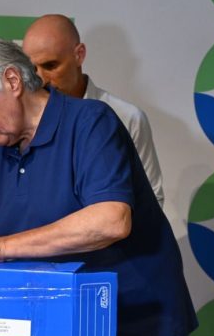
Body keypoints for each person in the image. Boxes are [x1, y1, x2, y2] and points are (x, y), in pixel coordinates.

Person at [0, 37, 197, 336]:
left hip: (136, 333)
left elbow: (111, 220)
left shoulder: (91, 122)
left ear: (12, 81)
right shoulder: (3, 157)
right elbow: (2, 245)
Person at [22, 14, 165, 206]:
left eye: (51, 65)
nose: (41, 79)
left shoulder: (127, 117)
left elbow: (151, 199)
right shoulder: (17, 123)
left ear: (79, 55)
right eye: (32, 70)